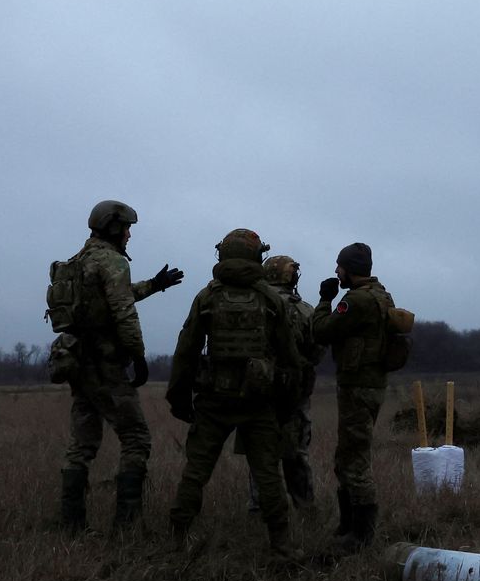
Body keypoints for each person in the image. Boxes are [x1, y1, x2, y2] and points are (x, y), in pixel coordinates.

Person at [166, 229, 303, 559]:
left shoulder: (208, 297)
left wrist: (179, 397)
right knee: (268, 475)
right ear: (256, 257)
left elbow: (186, 349)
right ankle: (282, 547)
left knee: (195, 473)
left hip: (214, 401)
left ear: (223, 256)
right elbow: (290, 358)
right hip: (259, 403)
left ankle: (176, 543)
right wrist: (287, 405)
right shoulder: (270, 299)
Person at [51, 199, 183, 532]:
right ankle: (126, 526)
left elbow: (110, 298)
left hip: (79, 362)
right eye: (126, 228)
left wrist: (154, 284)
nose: (128, 235)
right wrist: (138, 355)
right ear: (112, 227)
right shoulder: (112, 261)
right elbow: (123, 310)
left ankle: (71, 525)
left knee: (82, 443)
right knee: (137, 438)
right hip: (106, 364)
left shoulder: (78, 261)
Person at [312, 241, 397, 552]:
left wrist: (324, 301)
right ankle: (347, 526)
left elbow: (322, 331)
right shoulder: (381, 294)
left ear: (351, 269)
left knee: (354, 460)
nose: (337, 271)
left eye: (340, 266)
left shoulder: (357, 301)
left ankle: (360, 536)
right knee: (345, 456)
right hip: (369, 383)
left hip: (358, 385)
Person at [236, 254, 322, 514]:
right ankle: (304, 508)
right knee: (295, 454)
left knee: (259, 453)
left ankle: (259, 507)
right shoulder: (303, 309)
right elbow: (316, 352)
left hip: (254, 390)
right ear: (290, 276)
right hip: (293, 392)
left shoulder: (250, 303)